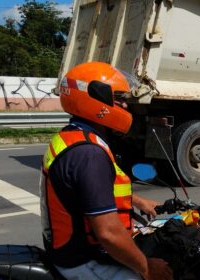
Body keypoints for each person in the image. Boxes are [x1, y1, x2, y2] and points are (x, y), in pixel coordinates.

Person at [39, 62, 173, 280]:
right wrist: (147, 268)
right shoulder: (89, 154)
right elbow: (109, 234)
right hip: (84, 262)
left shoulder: (73, 136)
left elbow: (91, 188)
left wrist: (138, 201)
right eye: (119, 99)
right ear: (96, 99)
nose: (125, 106)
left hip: (66, 248)